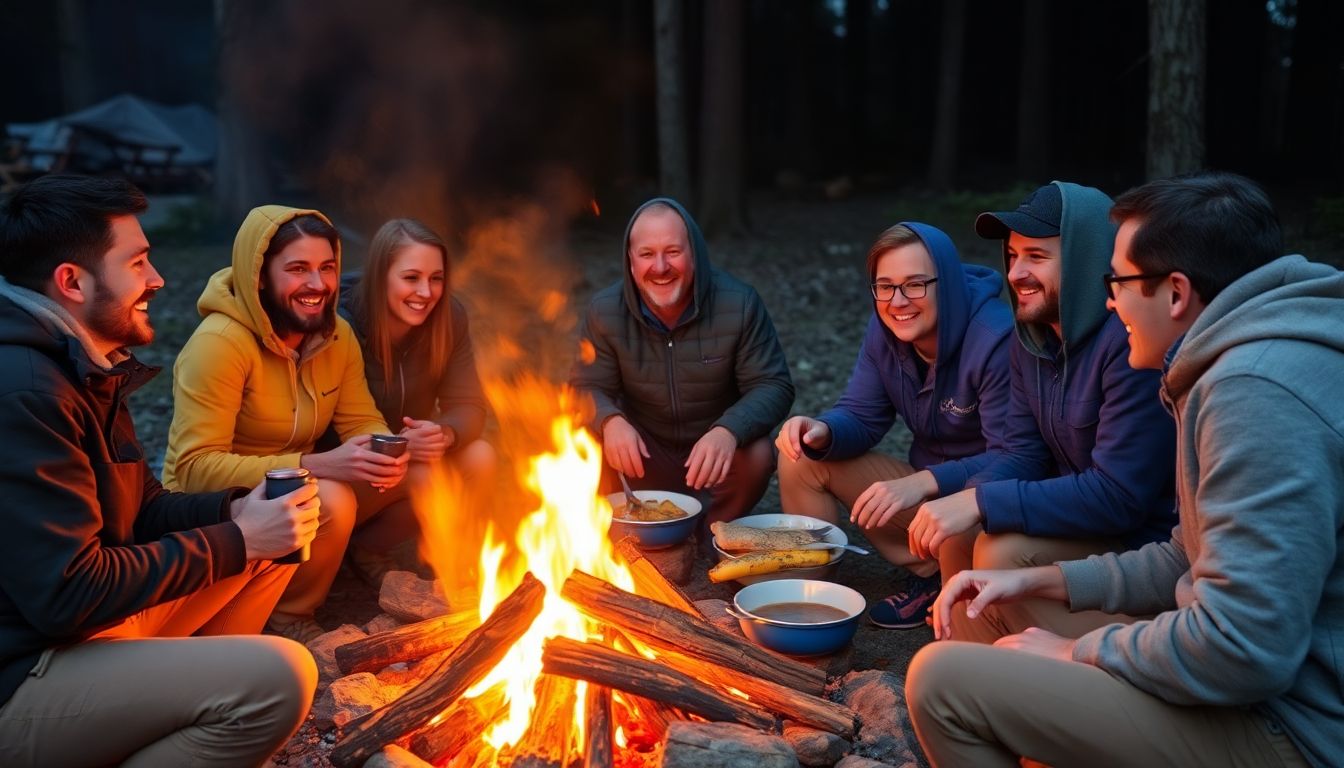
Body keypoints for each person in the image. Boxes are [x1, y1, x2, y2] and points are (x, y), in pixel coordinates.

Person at [906, 171, 1341, 768]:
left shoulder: (1253, 392)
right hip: (1264, 689)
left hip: (1296, 727)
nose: (1110, 299)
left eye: (1119, 281)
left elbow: (1243, 650)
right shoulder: (1250, 360)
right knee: (993, 589)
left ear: (1177, 293)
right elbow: (1187, 556)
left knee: (940, 681)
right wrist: (1038, 581)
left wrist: (1080, 650)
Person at [0, 175, 317, 766]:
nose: (157, 279)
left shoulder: (81, 361)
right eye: (139, 262)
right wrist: (236, 539)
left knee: (276, 535)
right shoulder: (25, 390)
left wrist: (235, 513)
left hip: (83, 635)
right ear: (72, 281)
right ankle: (211, 711)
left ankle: (188, 718)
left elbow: (143, 508)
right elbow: (67, 595)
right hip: (24, 676)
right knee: (282, 676)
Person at [880, 181, 1177, 636]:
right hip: (1081, 524)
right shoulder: (1032, 337)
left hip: (1142, 549)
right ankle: (962, 651)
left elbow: (1119, 499)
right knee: (965, 528)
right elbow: (1020, 452)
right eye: (1014, 255)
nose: (1016, 273)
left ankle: (1001, 667)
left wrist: (980, 500)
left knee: (997, 547)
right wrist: (968, 501)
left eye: (1036, 257)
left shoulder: (1131, 343)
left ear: (1084, 260)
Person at [163, 206, 409, 644]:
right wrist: (319, 464)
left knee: (424, 467)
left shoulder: (335, 336)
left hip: (298, 483)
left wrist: (384, 449)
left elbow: (360, 417)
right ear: (259, 274)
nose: (317, 285)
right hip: (217, 505)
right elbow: (194, 469)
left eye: (327, 268)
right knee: (329, 496)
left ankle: (355, 561)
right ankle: (288, 616)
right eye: (298, 269)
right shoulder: (220, 344)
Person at [774, 221, 1013, 628]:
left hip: (984, 507)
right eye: (885, 286)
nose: (898, 301)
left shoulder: (996, 340)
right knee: (801, 458)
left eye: (915, 284)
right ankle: (808, 602)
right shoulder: (886, 329)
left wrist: (923, 482)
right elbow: (862, 413)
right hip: (927, 495)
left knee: (960, 526)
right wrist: (823, 430)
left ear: (947, 284)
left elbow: (1011, 461)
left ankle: (951, 585)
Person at [571, 197, 794, 526]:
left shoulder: (739, 303)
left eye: (673, 252)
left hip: (712, 458)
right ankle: (622, 530)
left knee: (758, 453)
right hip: (642, 457)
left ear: (695, 255)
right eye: (647, 254)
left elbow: (773, 384)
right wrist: (610, 421)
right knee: (583, 435)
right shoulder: (605, 311)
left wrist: (728, 430)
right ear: (630, 261)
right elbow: (584, 386)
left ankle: (712, 533)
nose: (660, 267)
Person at [331, 218, 497, 576]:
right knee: (425, 477)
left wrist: (444, 434)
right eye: (411, 278)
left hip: (411, 463)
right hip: (348, 470)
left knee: (480, 456)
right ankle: (341, 548)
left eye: (435, 278)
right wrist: (396, 448)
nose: (426, 292)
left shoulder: (449, 318)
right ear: (380, 277)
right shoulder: (341, 326)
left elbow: (468, 404)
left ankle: (371, 549)